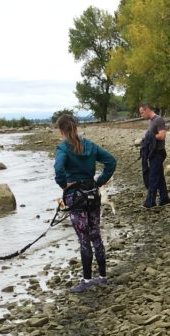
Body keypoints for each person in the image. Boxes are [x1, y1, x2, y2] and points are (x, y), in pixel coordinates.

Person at [54, 113, 117, 293]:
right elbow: (111, 161)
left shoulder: (63, 149)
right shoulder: (89, 145)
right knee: (95, 233)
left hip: (76, 197)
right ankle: (103, 277)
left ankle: (87, 280)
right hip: (92, 194)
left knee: (84, 238)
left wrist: (63, 185)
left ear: (61, 131)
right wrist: (98, 181)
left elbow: (58, 169)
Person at [139, 103, 170, 209]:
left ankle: (150, 202)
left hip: (159, 153)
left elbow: (162, 135)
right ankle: (165, 199)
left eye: (142, 112)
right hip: (153, 153)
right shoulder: (151, 121)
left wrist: (150, 137)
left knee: (153, 177)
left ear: (147, 110)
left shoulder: (159, 119)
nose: (141, 115)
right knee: (160, 177)